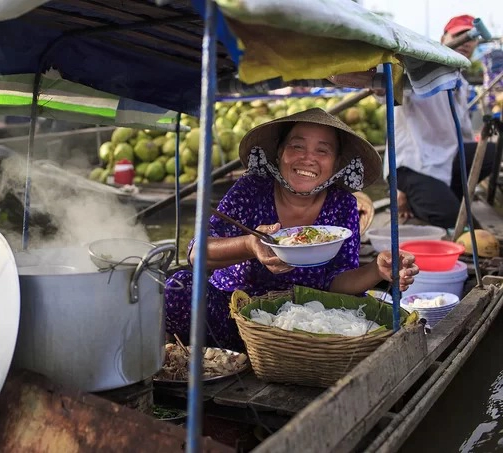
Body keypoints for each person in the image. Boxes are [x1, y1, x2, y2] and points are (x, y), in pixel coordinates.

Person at [165, 108, 419, 351]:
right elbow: (196, 254)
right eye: (297, 146)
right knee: (178, 287)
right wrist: (250, 245)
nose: (308, 158)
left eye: (323, 151)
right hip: (233, 321)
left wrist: (377, 269)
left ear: (337, 163)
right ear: (278, 153)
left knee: (364, 312)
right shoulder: (252, 188)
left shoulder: (342, 204)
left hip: (305, 329)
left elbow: (340, 281)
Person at [388, 15, 497, 229]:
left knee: (489, 153)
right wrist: (380, 84)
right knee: (466, 226)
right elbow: (387, 92)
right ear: (443, 39)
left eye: (471, 37)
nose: (466, 41)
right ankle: (413, 196)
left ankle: (446, 195)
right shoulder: (419, 69)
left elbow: (464, 133)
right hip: (415, 166)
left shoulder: (462, 83)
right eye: (459, 35)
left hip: (448, 158)